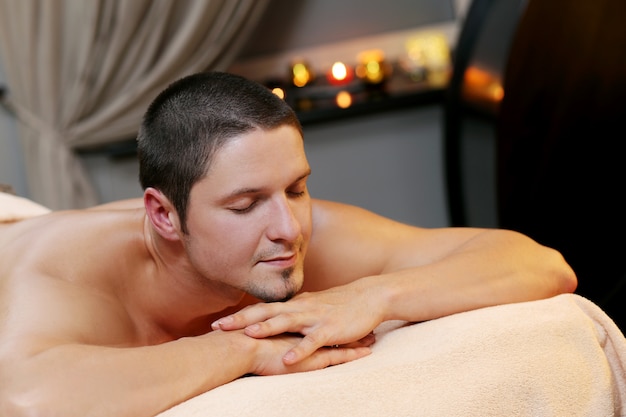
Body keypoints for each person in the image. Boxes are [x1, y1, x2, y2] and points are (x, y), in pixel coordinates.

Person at [0, 71, 577, 417]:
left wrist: (375, 296)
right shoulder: (62, 276)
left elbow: (539, 264)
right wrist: (244, 351)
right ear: (164, 215)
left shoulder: (304, 233)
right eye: (245, 204)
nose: (288, 227)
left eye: (297, 187)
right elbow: (27, 401)